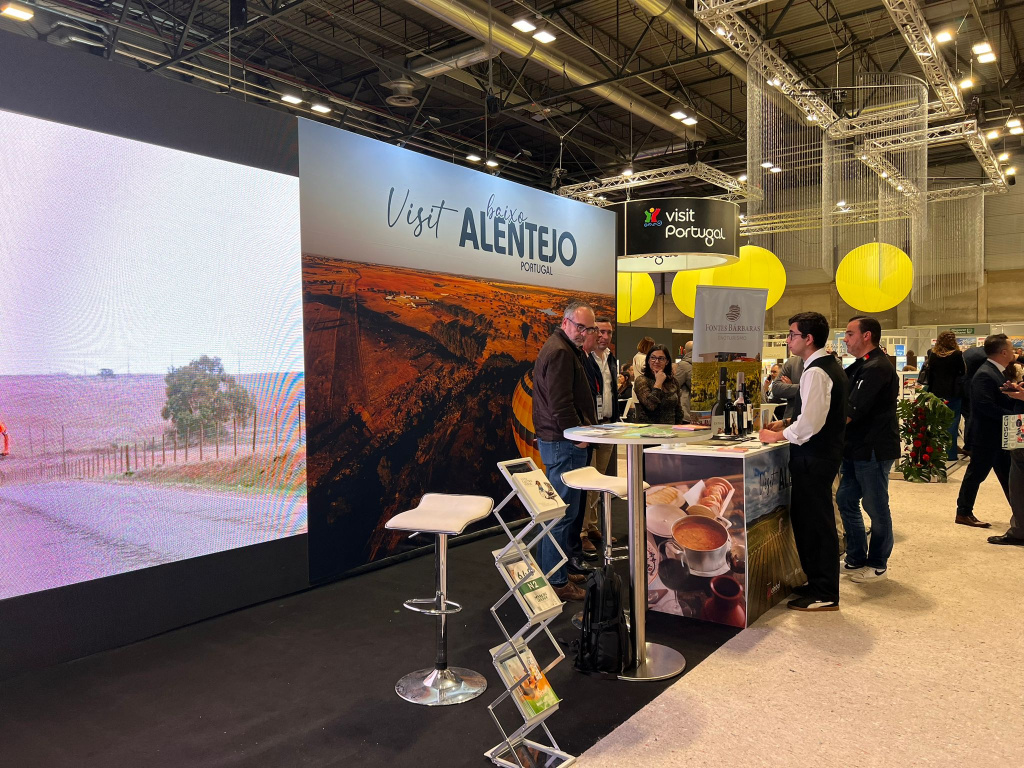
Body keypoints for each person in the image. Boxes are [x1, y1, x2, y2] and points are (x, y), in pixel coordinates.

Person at [760, 312, 848, 612]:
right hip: (820, 455)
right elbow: (816, 412)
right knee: (810, 520)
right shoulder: (824, 366)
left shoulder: (816, 371)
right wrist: (786, 423)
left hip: (815, 456)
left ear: (808, 339)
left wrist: (778, 435)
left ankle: (825, 592)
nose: (788, 340)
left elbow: (811, 423)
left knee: (816, 523)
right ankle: (817, 582)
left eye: (792, 334)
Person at [532, 301, 598, 601]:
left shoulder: (563, 348)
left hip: (563, 441)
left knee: (562, 513)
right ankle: (556, 581)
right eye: (580, 326)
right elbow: (560, 403)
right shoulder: (560, 351)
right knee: (560, 514)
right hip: (564, 443)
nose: (584, 333)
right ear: (565, 322)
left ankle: (556, 570)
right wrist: (576, 436)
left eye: (588, 328)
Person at [836, 316, 900, 583]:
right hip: (854, 446)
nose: (845, 339)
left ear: (867, 335)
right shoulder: (860, 365)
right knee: (845, 499)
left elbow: (852, 410)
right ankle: (855, 556)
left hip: (873, 448)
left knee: (875, 505)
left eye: (850, 334)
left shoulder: (877, 367)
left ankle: (878, 563)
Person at [955, 334, 1024, 528]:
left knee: (1008, 475)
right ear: (1003, 352)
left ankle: (1020, 516)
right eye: (1011, 349)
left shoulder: (996, 371)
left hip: (997, 435)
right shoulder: (985, 374)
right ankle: (963, 512)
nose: (1014, 353)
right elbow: (985, 406)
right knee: (976, 474)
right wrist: (1013, 416)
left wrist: (1013, 394)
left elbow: (996, 400)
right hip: (987, 436)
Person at [580, 317, 620, 557]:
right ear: (593, 332)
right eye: (601, 332)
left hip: (609, 425)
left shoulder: (611, 359)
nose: (605, 337)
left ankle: (593, 525)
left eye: (609, 333)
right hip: (591, 427)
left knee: (600, 479)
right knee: (589, 480)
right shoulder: (585, 359)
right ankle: (582, 532)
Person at [923, 332, 967, 462]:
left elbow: (930, 374)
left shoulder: (932, 354)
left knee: (936, 423)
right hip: (953, 392)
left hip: (936, 393)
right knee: (952, 423)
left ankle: (936, 452)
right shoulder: (957, 354)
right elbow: (962, 372)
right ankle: (950, 454)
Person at [632, 345, 686, 424]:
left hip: (670, 428)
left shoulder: (673, 381)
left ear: (667, 361)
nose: (656, 361)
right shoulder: (642, 380)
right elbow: (651, 405)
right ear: (648, 360)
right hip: (649, 428)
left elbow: (678, 410)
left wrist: (679, 426)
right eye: (653, 358)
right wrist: (658, 383)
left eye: (661, 358)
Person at [766, 354, 804, 421]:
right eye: (771, 372)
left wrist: (791, 387)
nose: (772, 374)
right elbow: (776, 389)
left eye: (774, 372)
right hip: (789, 419)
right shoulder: (791, 362)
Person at [672, 340, 693, 422]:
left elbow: (674, 385)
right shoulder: (703, 363)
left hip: (686, 409)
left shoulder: (683, 365)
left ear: (684, 351)